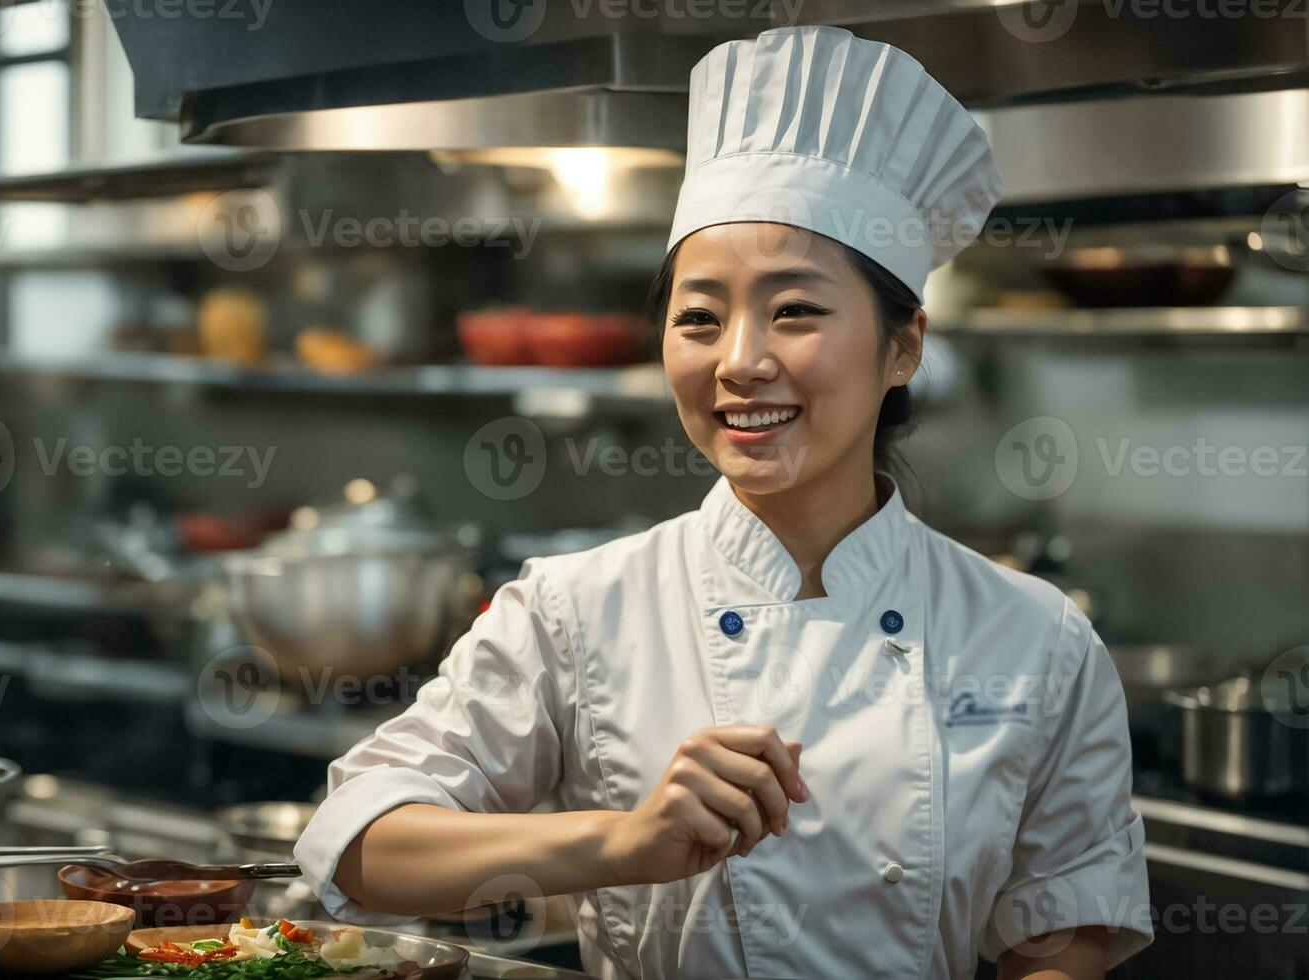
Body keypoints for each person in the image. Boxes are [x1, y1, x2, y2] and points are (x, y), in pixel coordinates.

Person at [294, 26, 1152, 980]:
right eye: (698, 317)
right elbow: (358, 840)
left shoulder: (1033, 636)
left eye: (794, 310)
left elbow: (1065, 935)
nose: (739, 361)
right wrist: (621, 843)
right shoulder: (578, 609)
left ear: (903, 346)